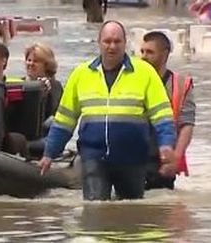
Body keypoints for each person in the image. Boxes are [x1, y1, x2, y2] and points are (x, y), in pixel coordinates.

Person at [39, 20, 177, 201]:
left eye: (117, 41)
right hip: (93, 158)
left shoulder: (145, 73)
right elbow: (65, 120)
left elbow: (163, 116)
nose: (112, 46)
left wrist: (166, 144)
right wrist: (49, 153)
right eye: (107, 41)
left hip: (132, 159)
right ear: (99, 42)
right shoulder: (80, 75)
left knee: (131, 210)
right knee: (95, 208)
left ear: (125, 43)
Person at [140, 31, 196, 190]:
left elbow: (187, 124)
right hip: (134, 157)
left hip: (163, 159)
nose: (144, 56)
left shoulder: (180, 84)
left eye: (150, 52)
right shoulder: (133, 80)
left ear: (165, 54)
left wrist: (175, 159)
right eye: (142, 51)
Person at [23, 42, 63, 119]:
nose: (31, 63)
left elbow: (53, 113)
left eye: (36, 61)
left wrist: (46, 95)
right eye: (29, 60)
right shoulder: (19, 84)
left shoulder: (55, 87)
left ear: (47, 65)